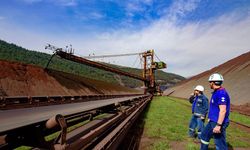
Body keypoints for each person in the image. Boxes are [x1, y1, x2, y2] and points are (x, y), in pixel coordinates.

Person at [200, 73, 230, 150]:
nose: (209, 84)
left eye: (210, 82)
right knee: (204, 136)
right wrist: (210, 117)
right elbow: (214, 107)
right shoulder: (216, 92)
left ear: (213, 82)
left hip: (218, 122)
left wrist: (219, 125)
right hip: (213, 121)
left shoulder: (221, 94)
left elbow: (223, 110)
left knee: (220, 144)